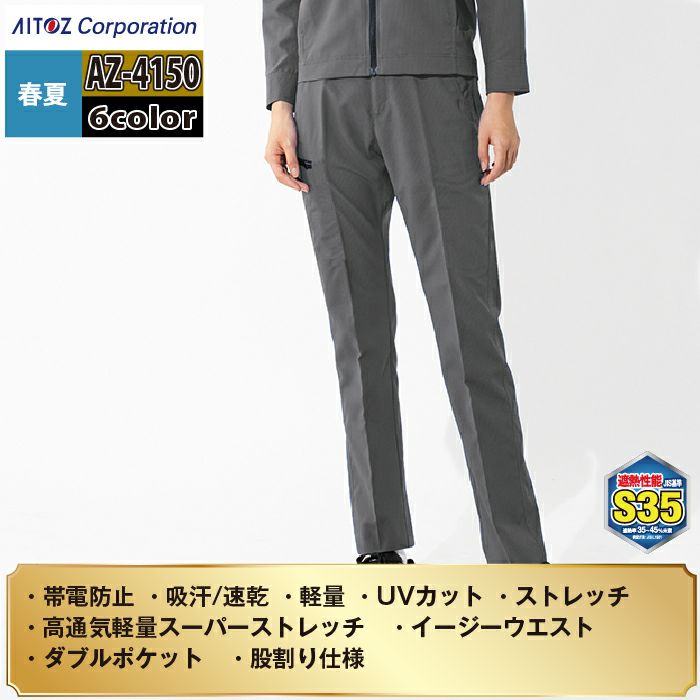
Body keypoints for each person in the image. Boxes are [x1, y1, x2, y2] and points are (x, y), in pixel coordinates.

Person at [262, 0, 549, 565]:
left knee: (468, 334)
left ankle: (517, 562)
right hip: (326, 99)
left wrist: (502, 95)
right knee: (357, 336)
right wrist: (280, 102)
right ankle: (378, 547)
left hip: (435, 89)